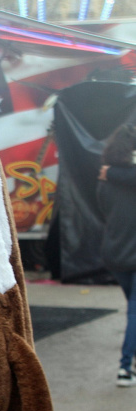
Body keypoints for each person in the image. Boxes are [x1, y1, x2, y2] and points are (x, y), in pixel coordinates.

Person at [97, 123, 136, 387]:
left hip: (115, 252)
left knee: (133, 310)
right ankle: (125, 367)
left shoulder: (105, 180)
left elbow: (103, 211)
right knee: (134, 313)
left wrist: (112, 173)